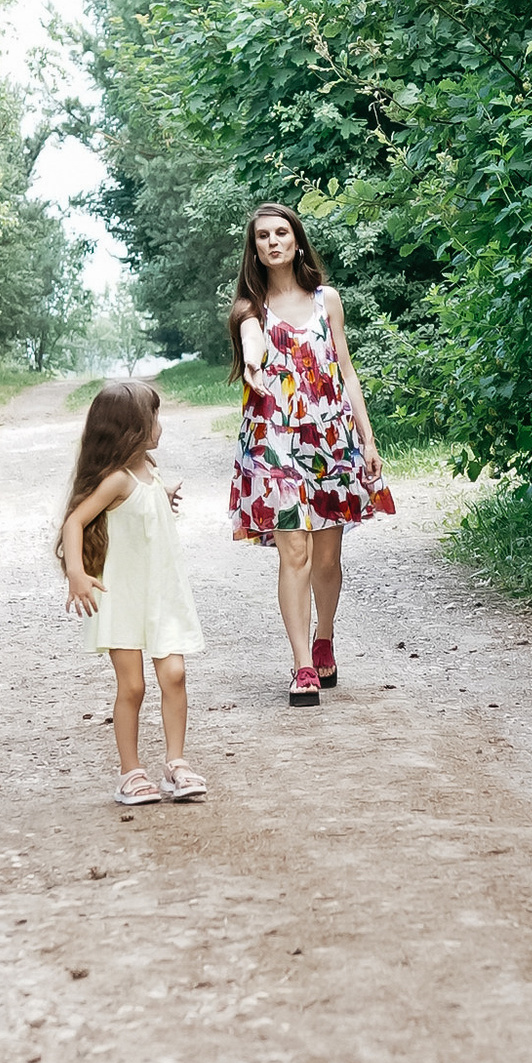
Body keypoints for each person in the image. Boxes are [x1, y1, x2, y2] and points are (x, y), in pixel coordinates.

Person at [226, 203, 392, 707]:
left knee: (327, 557)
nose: (272, 242)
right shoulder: (248, 310)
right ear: (253, 248)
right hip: (273, 441)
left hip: (330, 437)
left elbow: (346, 371)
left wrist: (367, 438)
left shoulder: (328, 301)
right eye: (262, 236)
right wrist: (254, 365)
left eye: (281, 233)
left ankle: (325, 636)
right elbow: (253, 342)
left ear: (296, 240)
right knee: (293, 552)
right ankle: (302, 664)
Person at [58, 379, 206, 808]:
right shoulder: (116, 479)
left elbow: (144, 507)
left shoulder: (147, 470)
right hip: (122, 597)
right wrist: (76, 573)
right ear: (131, 429)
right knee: (134, 686)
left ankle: (176, 764)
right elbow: (74, 522)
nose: (160, 424)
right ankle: (130, 772)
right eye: (153, 417)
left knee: (175, 675)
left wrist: (163, 495)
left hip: (162, 594)